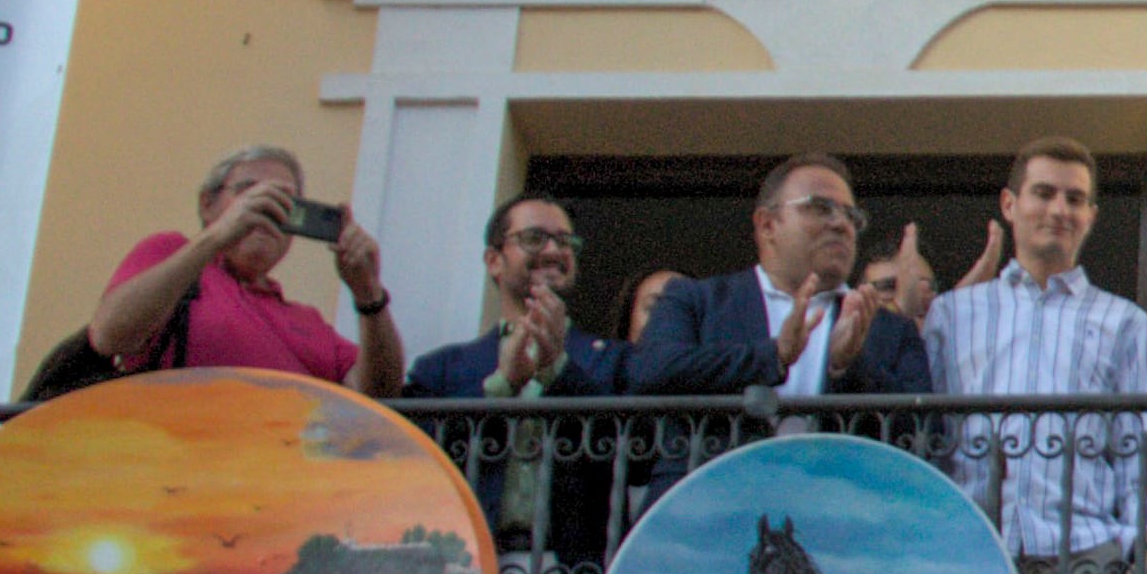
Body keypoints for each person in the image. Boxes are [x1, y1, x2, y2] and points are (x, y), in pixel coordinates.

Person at [922, 139, 1147, 574]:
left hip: (1082, 554)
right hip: (971, 553)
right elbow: (931, 439)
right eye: (1044, 193)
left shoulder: (1124, 322)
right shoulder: (951, 314)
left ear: (1092, 215)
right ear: (1010, 205)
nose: (1059, 209)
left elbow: (1140, 449)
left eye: (1075, 199)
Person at [89, 142, 403, 395]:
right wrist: (217, 237)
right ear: (207, 205)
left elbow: (378, 395)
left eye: (286, 203)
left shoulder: (308, 321)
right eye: (250, 192)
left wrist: (369, 296)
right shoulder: (171, 253)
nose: (267, 208)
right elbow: (109, 336)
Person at [631, 154, 916, 403]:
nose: (841, 224)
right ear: (768, 225)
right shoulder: (697, 301)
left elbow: (922, 436)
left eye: (851, 215)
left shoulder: (891, 329)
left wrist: (847, 366)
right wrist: (774, 356)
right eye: (819, 207)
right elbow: (648, 373)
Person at [405, 194, 614, 400]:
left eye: (564, 241)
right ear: (494, 261)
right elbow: (419, 434)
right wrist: (502, 386)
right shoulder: (439, 370)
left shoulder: (616, 360)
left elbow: (618, 431)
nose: (553, 250)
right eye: (533, 238)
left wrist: (557, 370)